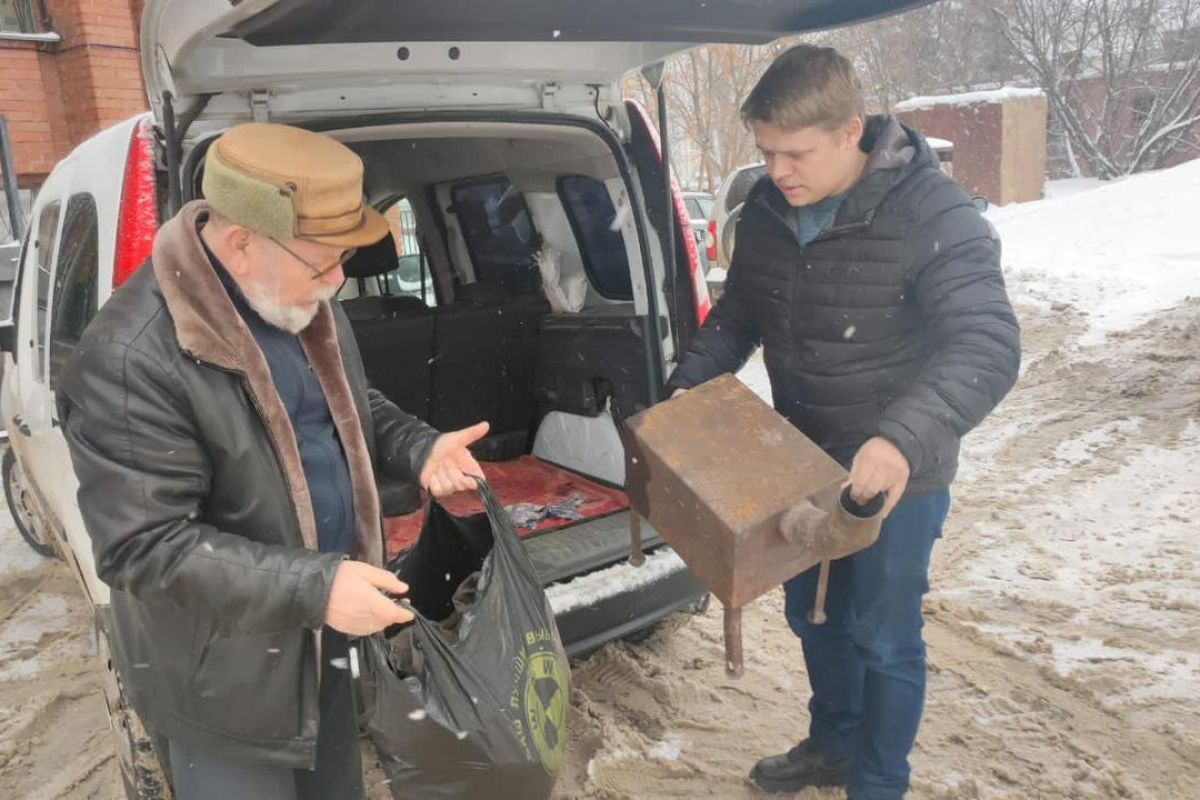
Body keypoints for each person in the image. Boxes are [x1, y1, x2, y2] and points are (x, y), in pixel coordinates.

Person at [60, 123, 488, 799]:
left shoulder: (299, 295)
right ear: (241, 244)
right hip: (227, 687)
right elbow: (145, 546)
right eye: (326, 262)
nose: (340, 278)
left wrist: (420, 445)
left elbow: (353, 407)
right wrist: (316, 587)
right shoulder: (129, 357)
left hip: (326, 646)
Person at [666, 45, 1021, 800]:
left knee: (885, 637)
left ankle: (878, 781)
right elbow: (739, 316)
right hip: (803, 463)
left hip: (899, 473)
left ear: (851, 130)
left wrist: (898, 438)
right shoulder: (766, 211)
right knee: (815, 617)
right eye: (766, 153)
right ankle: (832, 744)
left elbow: (986, 343)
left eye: (795, 154)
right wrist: (688, 384)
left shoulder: (932, 212)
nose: (777, 171)